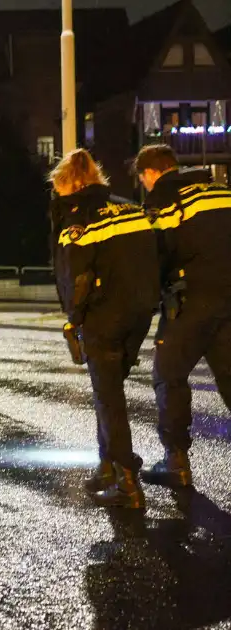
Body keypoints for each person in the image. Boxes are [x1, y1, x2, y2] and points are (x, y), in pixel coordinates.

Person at [50, 149, 159, 508]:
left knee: (108, 397)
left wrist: (74, 318)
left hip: (104, 315)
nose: (59, 197)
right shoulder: (129, 207)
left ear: (72, 183)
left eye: (59, 190)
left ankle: (127, 480)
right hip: (140, 313)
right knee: (109, 390)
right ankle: (108, 465)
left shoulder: (78, 219)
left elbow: (76, 277)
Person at [135, 144, 231, 489]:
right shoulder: (220, 191)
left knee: (168, 375)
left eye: (143, 180)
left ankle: (176, 461)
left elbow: (155, 258)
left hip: (193, 302)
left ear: (151, 173)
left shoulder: (165, 201)